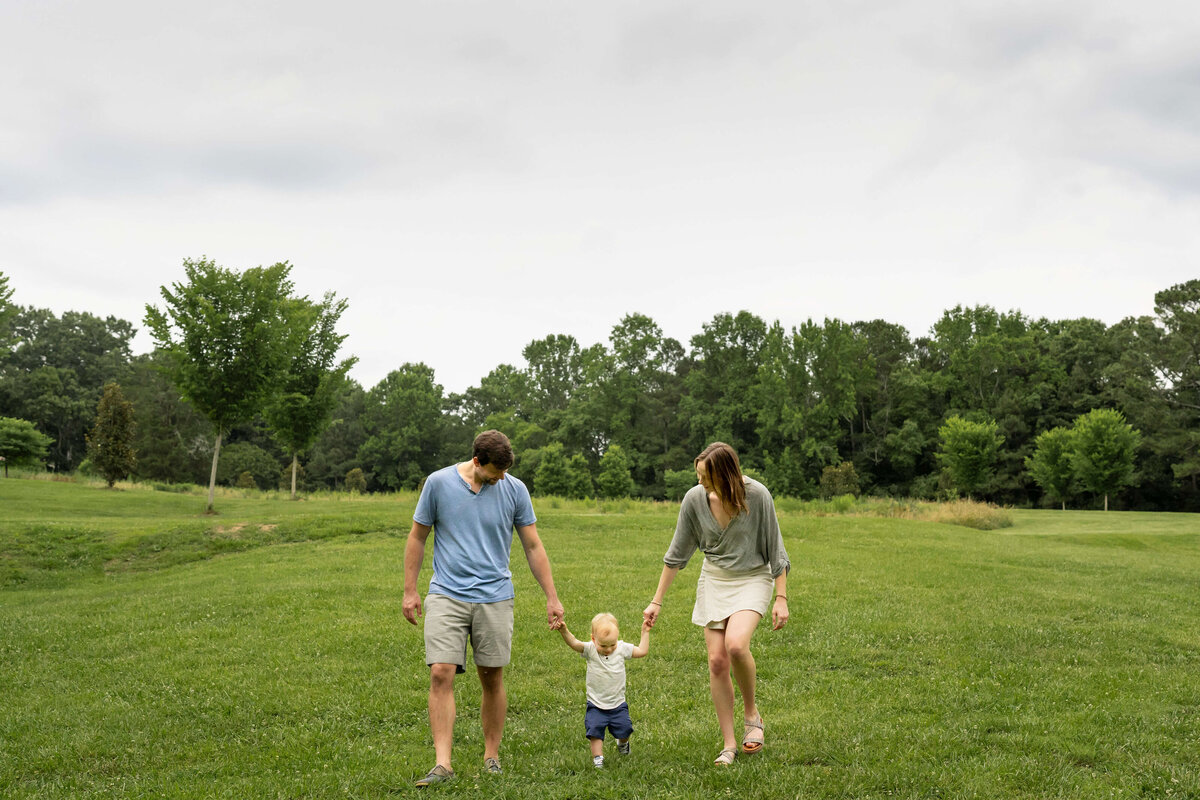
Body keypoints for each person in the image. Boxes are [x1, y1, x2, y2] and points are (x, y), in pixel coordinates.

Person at [403, 430, 564, 787]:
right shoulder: (438, 484)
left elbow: (533, 546)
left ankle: (491, 755)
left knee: (491, 677)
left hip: (495, 596)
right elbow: (417, 535)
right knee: (440, 672)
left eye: (506, 472)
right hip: (447, 593)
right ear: (476, 461)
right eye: (495, 471)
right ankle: (442, 763)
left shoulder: (515, 489)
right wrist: (410, 590)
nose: (501, 479)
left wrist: (552, 597)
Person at [643, 442, 790, 766]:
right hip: (715, 579)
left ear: (725, 475)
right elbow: (677, 554)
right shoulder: (695, 500)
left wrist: (781, 597)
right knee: (717, 661)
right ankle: (729, 744)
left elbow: (776, 550)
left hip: (753, 577)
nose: (699, 483)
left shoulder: (758, 496)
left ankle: (752, 715)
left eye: (705, 477)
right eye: (698, 476)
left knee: (736, 646)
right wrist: (657, 602)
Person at [554, 612, 651, 768]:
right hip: (596, 704)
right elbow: (574, 643)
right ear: (593, 639)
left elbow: (642, 651)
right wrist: (564, 631)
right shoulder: (590, 650)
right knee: (595, 732)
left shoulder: (621, 648)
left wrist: (645, 632)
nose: (608, 649)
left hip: (618, 704)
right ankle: (598, 758)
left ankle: (622, 744)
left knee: (625, 729)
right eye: (603, 645)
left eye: (612, 645)